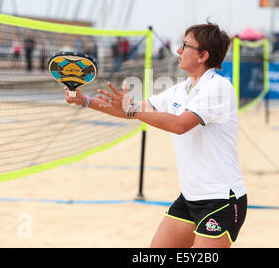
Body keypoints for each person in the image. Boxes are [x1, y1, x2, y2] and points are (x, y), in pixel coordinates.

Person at [64, 22, 248, 248]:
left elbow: (180, 125)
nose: (178, 50)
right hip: (190, 197)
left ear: (203, 56)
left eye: (185, 45)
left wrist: (133, 109)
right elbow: (132, 110)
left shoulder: (218, 88)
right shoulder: (182, 89)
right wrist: (85, 101)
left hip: (221, 200)